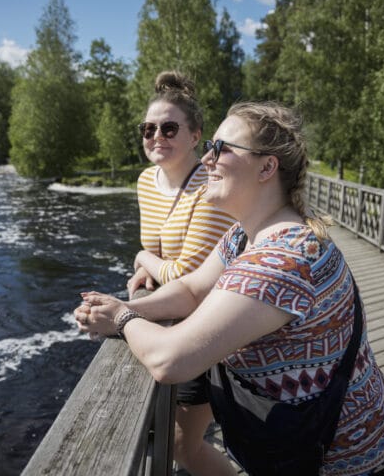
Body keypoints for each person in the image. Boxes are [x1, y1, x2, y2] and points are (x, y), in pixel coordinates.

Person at [75, 101, 384, 475]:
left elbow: (169, 360)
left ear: (267, 167)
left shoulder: (282, 259)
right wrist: (127, 305)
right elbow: (192, 289)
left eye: (221, 148)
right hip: (322, 444)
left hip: (356, 463)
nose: (207, 158)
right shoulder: (245, 235)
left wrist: (122, 317)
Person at [126, 70, 237, 476]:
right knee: (172, 439)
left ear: (195, 137)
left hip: (212, 325)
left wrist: (142, 259)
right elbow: (158, 260)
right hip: (175, 320)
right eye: (149, 129)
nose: (157, 136)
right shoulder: (145, 182)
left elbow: (184, 273)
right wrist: (147, 266)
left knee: (180, 444)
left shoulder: (210, 186)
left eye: (169, 128)